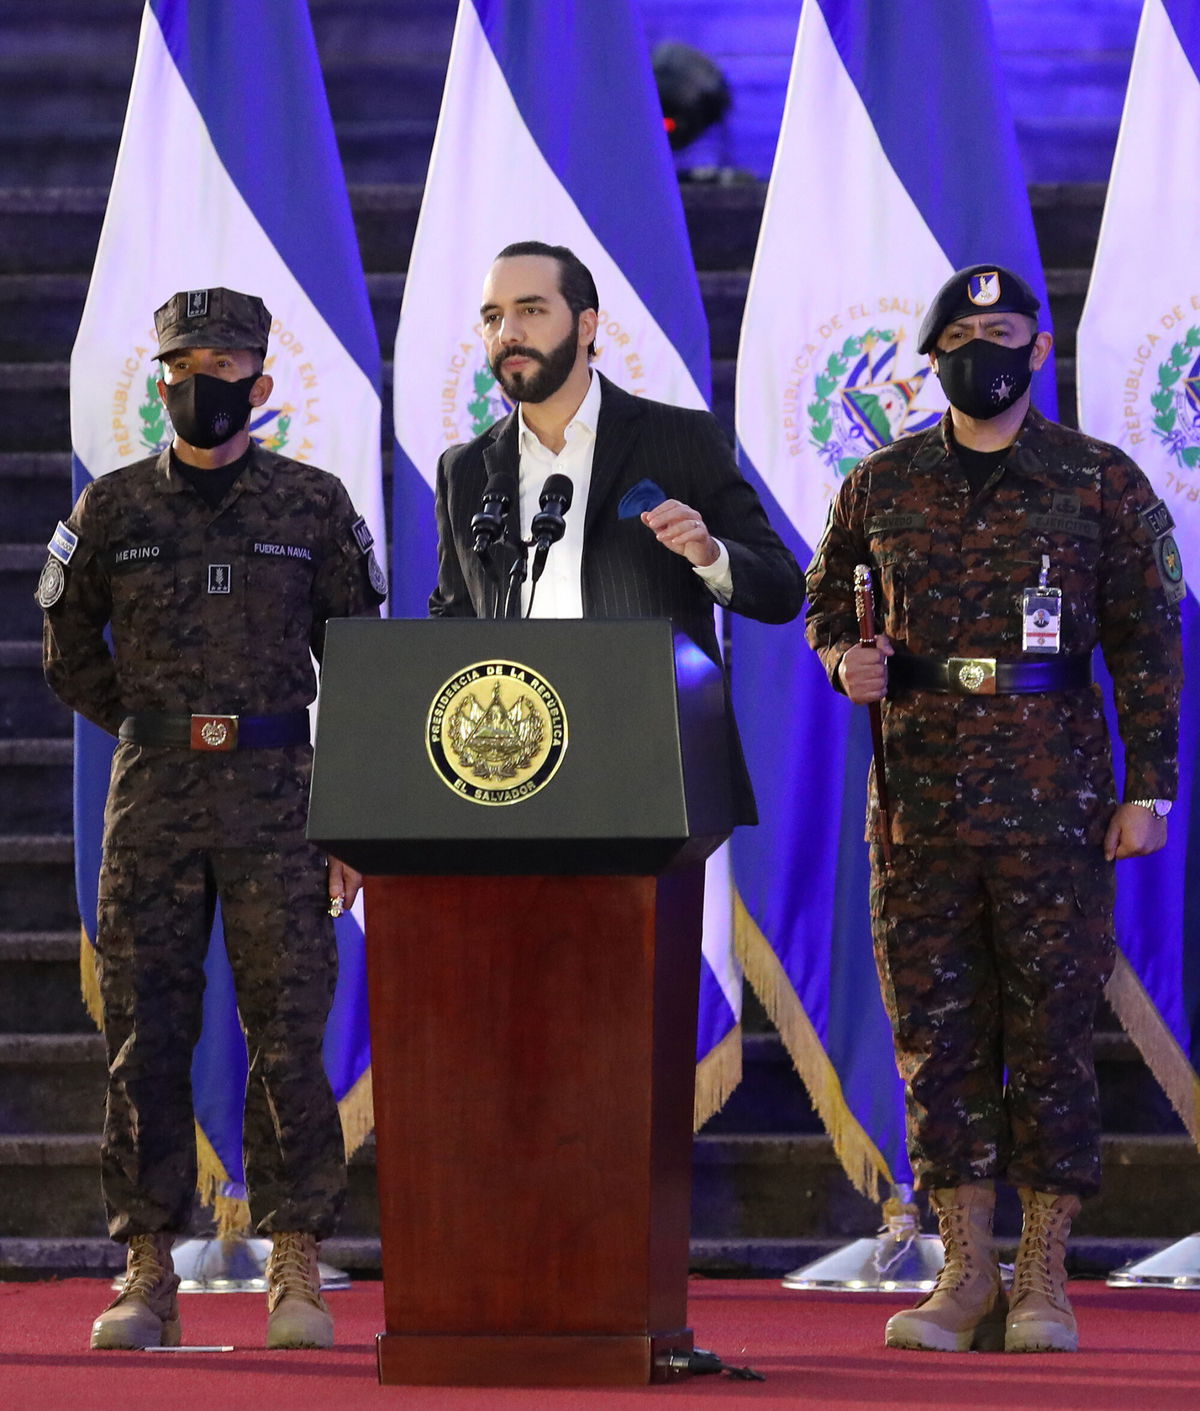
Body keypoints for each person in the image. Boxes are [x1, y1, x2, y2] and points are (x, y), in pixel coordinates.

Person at [805, 264, 1183, 1355]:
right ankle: (965, 1273)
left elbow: (1148, 645)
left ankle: (1044, 1277)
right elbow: (830, 602)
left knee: (1053, 1033)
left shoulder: (1098, 480)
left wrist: (1148, 788)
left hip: (1054, 800)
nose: (985, 347)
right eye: (962, 333)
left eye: (1004, 329)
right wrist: (842, 661)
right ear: (932, 356)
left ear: (1040, 349)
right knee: (938, 1039)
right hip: (917, 805)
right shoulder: (880, 484)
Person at [38, 287, 387, 1351]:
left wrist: (348, 816)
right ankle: (148, 1261)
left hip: (284, 796)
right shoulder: (112, 510)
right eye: (184, 366)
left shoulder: (313, 505)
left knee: (287, 1031)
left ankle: (294, 1255)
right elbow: (68, 651)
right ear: (160, 380)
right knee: (144, 1033)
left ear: (261, 383)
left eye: (226, 367)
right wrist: (158, 724)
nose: (204, 383)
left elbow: (364, 667)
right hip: (153, 796)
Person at [429, 240, 804, 821]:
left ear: (585, 325)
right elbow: (453, 620)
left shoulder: (679, 439)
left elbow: (782, 588)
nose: (508, 333)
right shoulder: (465, 469)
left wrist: (710, 555)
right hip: (506, 774)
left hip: (650, 768)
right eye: (492, 317)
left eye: (530, 310)